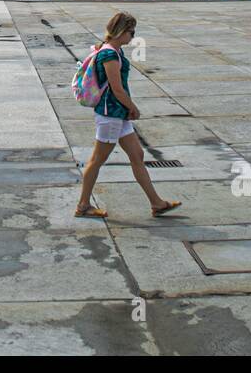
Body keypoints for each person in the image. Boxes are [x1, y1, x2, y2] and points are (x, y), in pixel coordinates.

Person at [75, 11, 181, 219]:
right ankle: (83, 205)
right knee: (96, 160)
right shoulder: (109, 55)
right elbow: (117, 89)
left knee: (137, 155)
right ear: (122, 31)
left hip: (118, 115)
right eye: (131, 33)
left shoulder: (111, 50)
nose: (133, 37)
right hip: (111, 114)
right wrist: (133, 107)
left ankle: (156, 203)